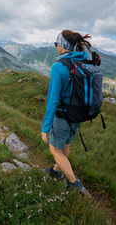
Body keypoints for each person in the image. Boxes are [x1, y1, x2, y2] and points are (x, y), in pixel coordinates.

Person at [41, 29, 92, 198]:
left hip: (62, 117)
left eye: (57, 44)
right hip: (77, 117)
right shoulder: (82, 61)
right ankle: (56, 171)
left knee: (55, 149)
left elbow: (53, 100)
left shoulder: (59, 67)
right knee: (65, 146)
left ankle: (74, 184)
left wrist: (45, 127)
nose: (56, 47)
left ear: (62, 46)